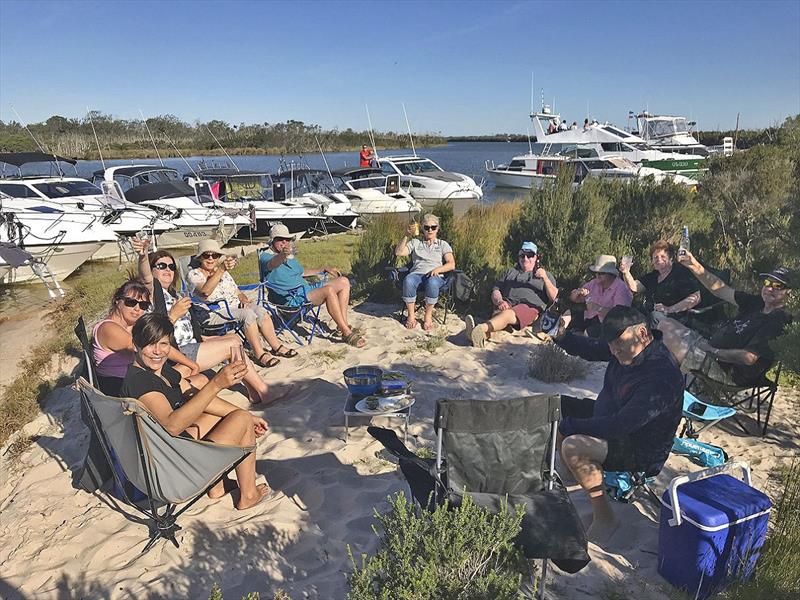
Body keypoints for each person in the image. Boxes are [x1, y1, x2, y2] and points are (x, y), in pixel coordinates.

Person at [554, 306, 684, 544]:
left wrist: (571, 426)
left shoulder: (660, 375)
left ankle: (605, 518)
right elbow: (591, 348)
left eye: (618, 342)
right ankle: (572, 475)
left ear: (643, 333)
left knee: (573, 444)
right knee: (556, 406)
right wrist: (562, 336)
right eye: (611, 343)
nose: (614, 349)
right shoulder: (627, 347)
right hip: (610, 418)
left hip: (640, 446)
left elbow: (621, 425)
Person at [121, 313, 270, 510]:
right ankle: (249, 495)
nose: (157, 351)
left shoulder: (159, 370)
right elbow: (171, 425)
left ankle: (217, 487)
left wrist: (251, 417)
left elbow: (192, 394)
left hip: (169, 451)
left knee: (230, 415)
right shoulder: (141, 381)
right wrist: (216, 384)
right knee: (240, 419)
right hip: (172, 470)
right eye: (150, 344)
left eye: (163, 344)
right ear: (136, 345)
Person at [133, 238, 272, 405]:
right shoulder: (153, 293)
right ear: (152, 269)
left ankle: (252, 391)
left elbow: (189, 330)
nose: (168, 270)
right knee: (230, 346)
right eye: (161, 266)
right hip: (175, 353)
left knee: (234, 340)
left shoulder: (175, 295)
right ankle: (263, 391)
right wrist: (142, 256)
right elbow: (146, 278)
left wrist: (206, 339)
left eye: (171, 266)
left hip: (191, 344)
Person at [658, 255, 793, 387]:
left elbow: (748, 358)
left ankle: (664, 386)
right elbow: (721, 290)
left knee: (664, 340)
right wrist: (693, 264)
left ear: (790, 293)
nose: (769, 288)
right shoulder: (757, 303)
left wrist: (713, 351)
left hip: (726, 370)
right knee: (665, 324)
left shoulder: (777, 321)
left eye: (778, 286)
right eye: (767, 283)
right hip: (711, 349)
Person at [187, 239, 296, 368]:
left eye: (214, 255)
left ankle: (276, 346)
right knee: (247, 315)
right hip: (212, 313)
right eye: (206, 255)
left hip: (233, 308)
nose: (211, 259)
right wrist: (220, 270)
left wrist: (243, 300)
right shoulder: (194, 274)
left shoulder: (223, 273)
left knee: (260, 311)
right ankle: (259, 353)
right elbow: (205, 292)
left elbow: (238, 292)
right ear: (200, 257)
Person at [259, 224, 365, 347]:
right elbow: (273, 264)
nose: (284, 242)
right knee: (328, 290)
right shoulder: (265, 257)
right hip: (291, 298)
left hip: (305, 290)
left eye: (287, 239)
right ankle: (347, 333)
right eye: (280, 239)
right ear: (272, 240)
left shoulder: (289, 256)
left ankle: (343, 326)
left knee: (344, 281)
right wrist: (283, 255)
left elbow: (301, 272)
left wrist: (323, 268)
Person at [92, 279, 202, 397]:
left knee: (187, 371)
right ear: (117, 301)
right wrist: (172, 317)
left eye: (143, 305)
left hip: (137, 379)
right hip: (121, 388)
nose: (137, 308)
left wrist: (191, 364)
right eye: (131, 302)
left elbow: (158, 344)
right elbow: (143, 345)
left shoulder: (132, 325)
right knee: (199, 381)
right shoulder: (108, 328)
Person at [464, 241, 557, 348]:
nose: (525, 259)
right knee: (498, 318)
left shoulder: (546, 275)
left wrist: (545, 278)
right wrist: (500, 301)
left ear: (536, 257)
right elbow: (496, 290)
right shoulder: (509, 272)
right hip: (507, 303)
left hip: (529, 307)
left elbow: (554, 297)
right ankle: (480, 336)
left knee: (507, 314)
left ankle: (479, 328)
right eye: (522, 255)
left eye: (530, 255)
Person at [394, 213, 456, 331]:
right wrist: (407, 235)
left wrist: (438, 269)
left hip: (435, 275)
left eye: (433, 227)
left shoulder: (443, 244)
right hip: (417, 274)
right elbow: (398, 252)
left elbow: (451, 264)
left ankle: (428, 316)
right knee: (408, 279)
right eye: (427, 227)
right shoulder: (416, 243)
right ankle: (411, 316)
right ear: (422, 228)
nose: (430, 230)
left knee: (432, 282)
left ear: (438, 228)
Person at [619, 240, 700, 325]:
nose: (659, 260)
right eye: (656, 257)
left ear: (671, 258)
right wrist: (626, 273)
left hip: (675, 319)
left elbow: (696, 297)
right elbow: (634, 287)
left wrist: (669, 309)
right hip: (650, 315)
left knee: (655, 316)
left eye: (662, 256)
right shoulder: (653, 276)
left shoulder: (679, 273)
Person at [568, 255, 633, 337]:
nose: (597, 275)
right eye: (596, 272)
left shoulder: (622, 289)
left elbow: (618, 316)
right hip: (589, 319)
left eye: (601, 273)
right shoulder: (594, 283)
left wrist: (598, 308)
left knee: (588, 333)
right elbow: (573, 298)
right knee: (569, 314)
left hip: (607, 326)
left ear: (611, 274)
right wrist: (578, 292)